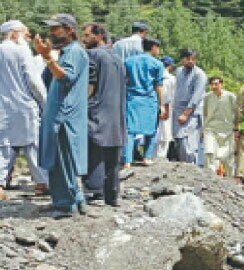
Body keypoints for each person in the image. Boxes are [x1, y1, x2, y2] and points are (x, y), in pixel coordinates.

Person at [35, 14, 89, 217]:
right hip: (59, 114)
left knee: (61, 163)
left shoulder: (74, 51)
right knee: (63, 161)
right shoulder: (66, 52)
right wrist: (47, 57)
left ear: (69, 30)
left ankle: (65, 206)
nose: (51, 33)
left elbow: (65, 77)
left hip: (63, 117)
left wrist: (47, 58)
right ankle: (75, 200)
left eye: (55, 28)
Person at [0, 20, 48, 200]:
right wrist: (45, 103)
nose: (28, 38)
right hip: (23, 105)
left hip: (2, 107)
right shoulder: (21, 50)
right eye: (25, 34)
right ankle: (42, 183)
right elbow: (33, 81)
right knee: (33, 144)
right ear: (14, 34)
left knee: (4, 147)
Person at [81, 22, 125, 206]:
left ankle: (94, 191)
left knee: (94, 151)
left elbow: (90, 86)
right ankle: (111, 195)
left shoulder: (92, 55)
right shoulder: (117, 59)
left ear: (98, 36)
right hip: (116, 114)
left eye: (87, 35)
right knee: (112, 156)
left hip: (96, 112)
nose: (83, 39)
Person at [123, 38, 164, 168]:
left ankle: (127, 161)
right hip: (149, 99)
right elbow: (158, 85)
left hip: (132, 98)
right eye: (157, 47)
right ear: (153, 47)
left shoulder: (128, 61)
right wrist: (161, 104)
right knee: (151, 130)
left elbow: (124, 81)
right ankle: (147, 157)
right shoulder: (157, 64)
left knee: (129, 130)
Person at [172, 49, 207, 165]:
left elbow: (196, 98)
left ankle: (192, 167)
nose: (191, 61)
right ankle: (184, 168)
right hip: (177, 111)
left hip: (191, 114)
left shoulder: (199, 75)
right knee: (179, 141)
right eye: (188, 59)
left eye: (193, 59)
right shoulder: (179, 71)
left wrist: (186, 114)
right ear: (182, 59)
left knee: (189, 145)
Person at [203, 76, 236, 176]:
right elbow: (205, 113)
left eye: (216, 84)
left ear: (221, 84)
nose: (214, 86)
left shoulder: (230, 96)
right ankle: (210, 178)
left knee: (227, 158)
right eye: (212, 84)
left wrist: (237, 128)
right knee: (209, 153)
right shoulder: (207, 97)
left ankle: (231, 179)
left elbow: (237, 112)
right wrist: (203, 129)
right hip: (210, 129)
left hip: (227, 131)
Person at [154, 56, 175, 161]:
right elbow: (170, 96)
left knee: (155, 133)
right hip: (166, 107)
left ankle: (152, 156)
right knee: (165, 134)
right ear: (170, 66)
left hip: (154, 107)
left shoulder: (153, 76)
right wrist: (165, 108)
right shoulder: (170, 78)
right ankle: (161, 157)